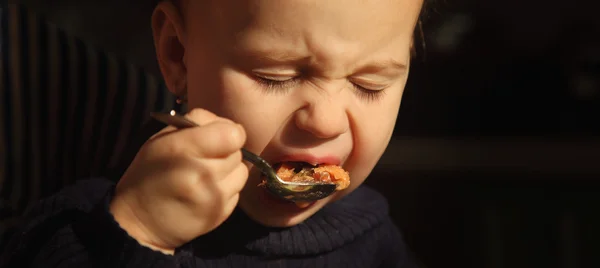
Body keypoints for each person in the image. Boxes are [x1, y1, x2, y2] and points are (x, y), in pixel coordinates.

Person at [1, 0, 428, 267]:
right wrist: (139, 231)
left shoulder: (377, 241)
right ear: (178, 54)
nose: (326, 121)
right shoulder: (92, 222)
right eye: (275, 76)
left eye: (369, 84)